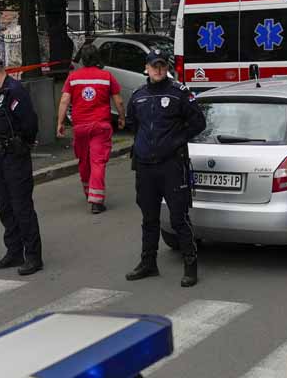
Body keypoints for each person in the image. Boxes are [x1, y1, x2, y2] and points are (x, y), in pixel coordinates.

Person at [125, 50, 205, 287]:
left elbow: (199, 122)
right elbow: (132, 124)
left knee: (179, 217)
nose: (158, 69)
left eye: (161, 65)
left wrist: (176, 141)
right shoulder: (138, 96)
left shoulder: (179, 93)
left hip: (171, 165)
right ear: (147, 68)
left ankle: (190, 265)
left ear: (166, 67)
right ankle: (148, 262)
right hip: (145, 167)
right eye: (154, 66)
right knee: (149, 217)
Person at [0, 51, 43, 276]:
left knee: (21, 207)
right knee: (5, 206)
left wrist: (21, 144)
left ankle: (33, 256)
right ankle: (14, 251)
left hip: (14, 157)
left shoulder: (15, 91)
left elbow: (30, 123)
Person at [56, 45, 125, 214]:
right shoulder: (106, 76)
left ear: (83, 60)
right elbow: (119, 101)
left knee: (84, 161)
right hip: (100, 126)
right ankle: (96, 200)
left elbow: (64, 100)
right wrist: (122, 117)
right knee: (98, 161)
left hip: (80, 127)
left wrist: (60, 122)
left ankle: (89, 192)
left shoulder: (73, 77)